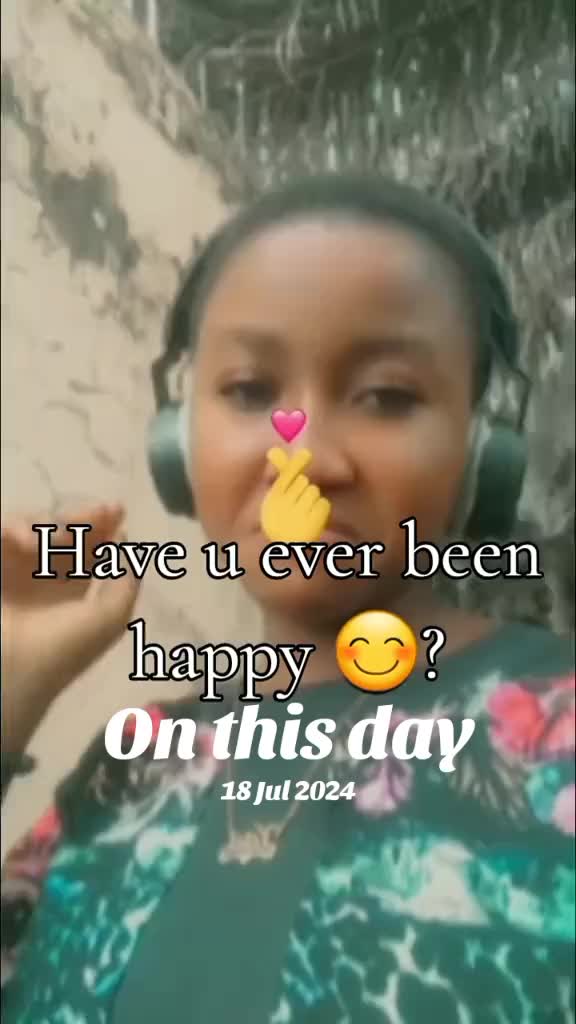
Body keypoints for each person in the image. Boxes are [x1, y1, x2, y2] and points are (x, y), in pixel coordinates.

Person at [1, 173, 574, 1024]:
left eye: (386, 396)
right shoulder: (132, 766)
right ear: (177, 443)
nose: (302, 457)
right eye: (248, 391)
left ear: (482, 450)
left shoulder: (558, 728)